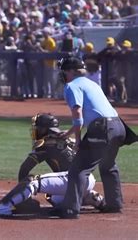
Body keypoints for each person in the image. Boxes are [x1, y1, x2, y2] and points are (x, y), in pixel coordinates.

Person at [56, 56, 137, 219]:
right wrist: (71, 132)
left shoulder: (71, 86)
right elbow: (95, 113)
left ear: (71, 71)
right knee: (108, 165)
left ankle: (70, 209)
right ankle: (114, 204)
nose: (63, 74)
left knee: (78, 169)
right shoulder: (92, 84)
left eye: (64, 71)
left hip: (103, 128)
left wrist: (77, 140)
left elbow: (78, 115)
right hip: (118, 126)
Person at [0, 113, 105, 216]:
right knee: (53, 197)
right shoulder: (68, 138)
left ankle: (2, 208)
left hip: (71, 180)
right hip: (87, 180)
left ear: (45, 129)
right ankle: (89, 197)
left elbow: (25, 169)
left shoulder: (45, 143)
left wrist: (24, 199)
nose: (36, 130)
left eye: (38, 128)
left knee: (32, 181)